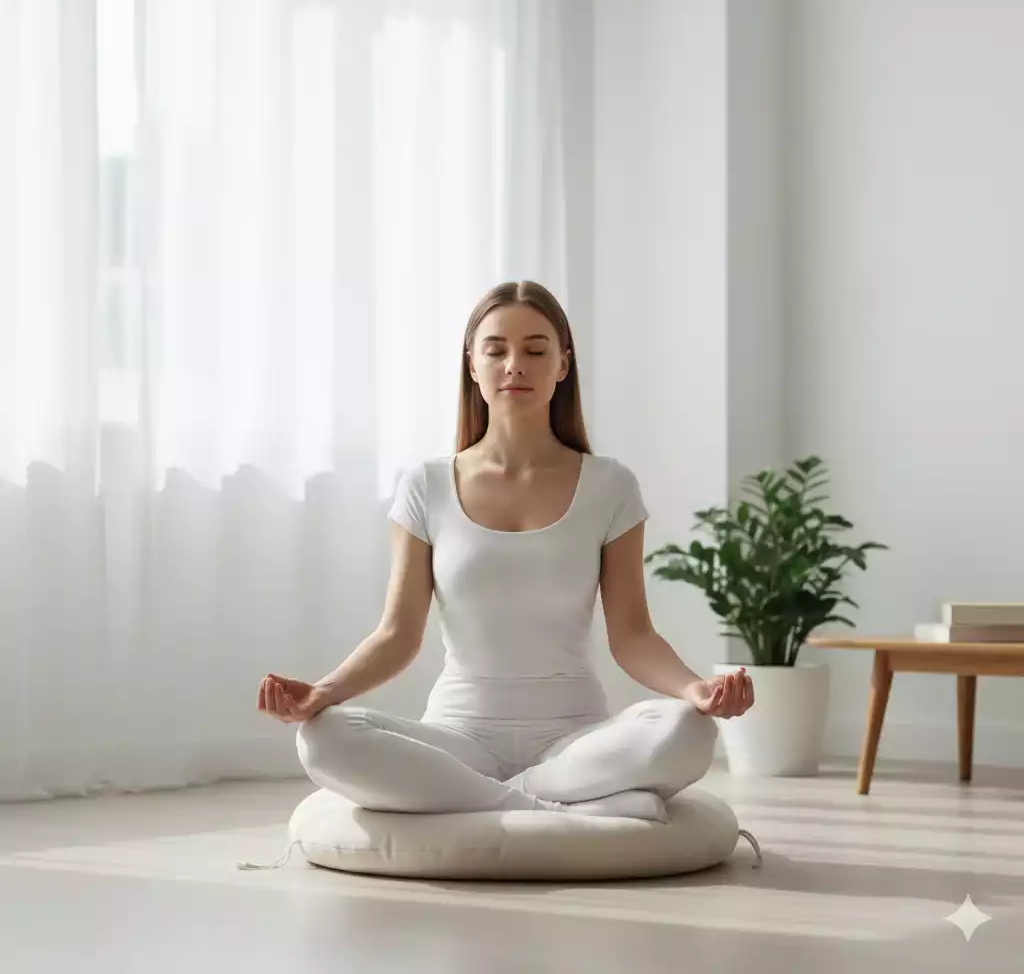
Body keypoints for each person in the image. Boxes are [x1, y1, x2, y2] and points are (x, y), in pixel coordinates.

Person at [257, 280, 754, 823]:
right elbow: (397, 635)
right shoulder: (426, 485)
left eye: (536, 351)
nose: (515, 365)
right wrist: (323, 692)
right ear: (472, 365)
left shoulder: (610, 486)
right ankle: (558, 804)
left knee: (687, 730)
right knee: (323, 738)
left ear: (562, 364)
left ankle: (485, 797)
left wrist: (695, 689)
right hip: (459, 737)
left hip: (573, 741)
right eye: (496, 351)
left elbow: (633, 635)